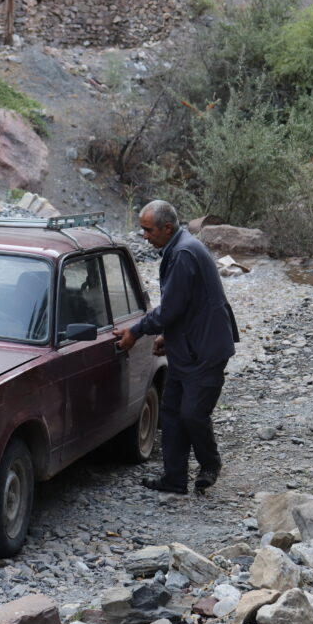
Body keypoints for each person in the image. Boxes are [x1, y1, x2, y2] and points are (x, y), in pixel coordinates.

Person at [113, 200, 239, 494]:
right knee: (171, 411)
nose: (144, 235)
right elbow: (187, 306)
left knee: (192, 413)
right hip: (189, 346)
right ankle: (174, 479)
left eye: (147, 230)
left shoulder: (183, 253)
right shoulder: (180, 247)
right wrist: (169, 338)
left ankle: (210, 464)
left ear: (166, 228)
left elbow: (170, 310)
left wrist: (135, 331)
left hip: (205, 349)